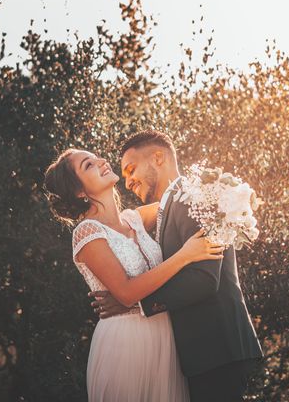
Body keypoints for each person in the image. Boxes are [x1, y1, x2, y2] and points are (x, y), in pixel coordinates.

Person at [90, 130, 263, 401]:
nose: (128, 181)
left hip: (216, 347)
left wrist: (136, 304)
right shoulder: (171, 205)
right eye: (123, 176)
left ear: (158, 158)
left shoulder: (193, 197)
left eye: (131, 169)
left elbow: (205, 279)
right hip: (204, 353)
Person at [44, 148, 224, 401]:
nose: (101, 162)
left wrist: (228, 191)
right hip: (125, 342)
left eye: (96, 158)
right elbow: (127, 293)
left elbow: (177, 198)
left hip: (164, 337)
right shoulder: (86, 233)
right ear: (79, 192)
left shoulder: (134, 219)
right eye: (89, 165)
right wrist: (185, 255)